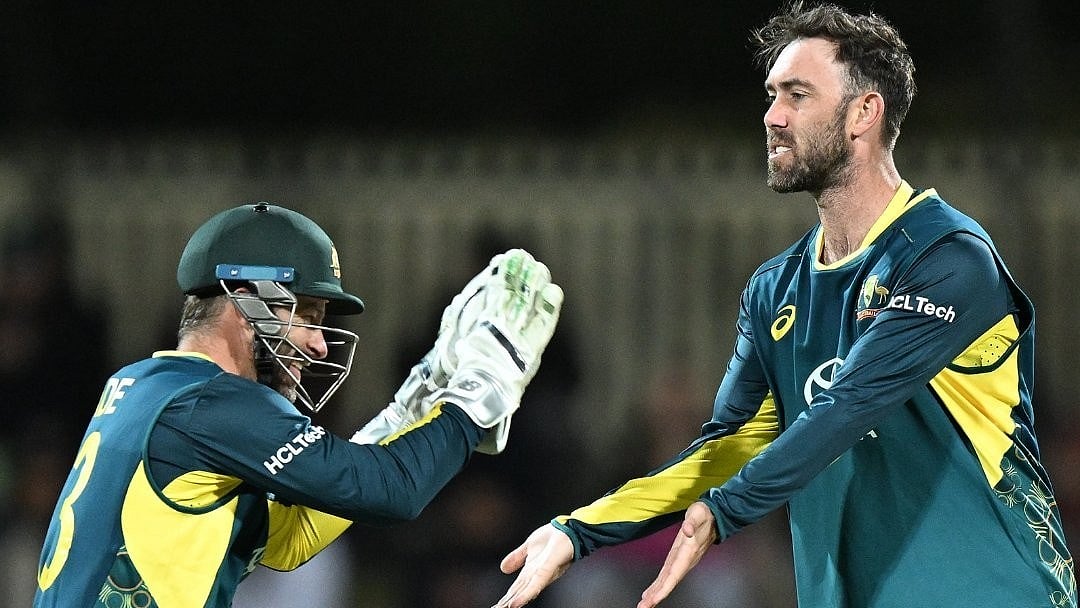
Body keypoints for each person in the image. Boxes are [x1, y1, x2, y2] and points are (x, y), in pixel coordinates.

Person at [493, 3, 1077, 608]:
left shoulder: (949, 259)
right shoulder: (775, 289)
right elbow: (732, 446)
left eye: (797, 95)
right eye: (771, 95)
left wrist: (723, 512)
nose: (772, 116)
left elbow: (850, 405)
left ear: (864, 113)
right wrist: (579, 530)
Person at [32, 202, 564, 607]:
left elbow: (287, 536)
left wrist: (410, 407)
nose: (319, 343)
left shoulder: (142, 385)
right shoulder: (213, 405)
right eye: (307, 314)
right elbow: (389, 491)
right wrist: (478, 395)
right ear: (247, 300)